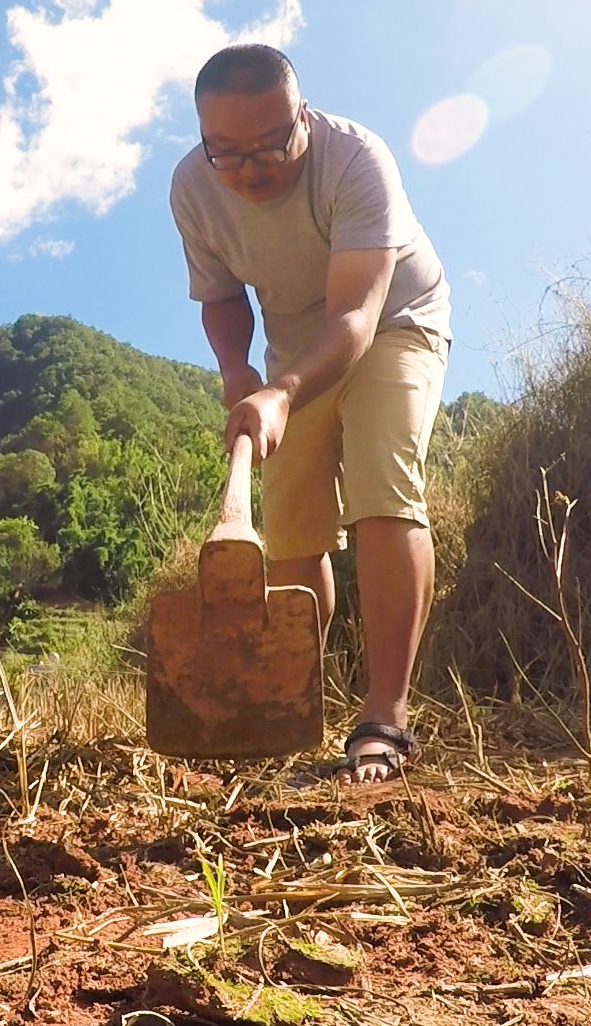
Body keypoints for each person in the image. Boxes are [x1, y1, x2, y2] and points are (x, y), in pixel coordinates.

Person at [167, 44, 451, 783]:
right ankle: (286, 709)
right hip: (297, 340)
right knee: (291, 531)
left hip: (393, 321)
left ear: (302, 116)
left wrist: (283, 393)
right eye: (226, 152)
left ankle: (383, 722)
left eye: (269, 146)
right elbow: (222, 296)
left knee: (380, 492)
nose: (248, 170)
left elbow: (356, 315)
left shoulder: (357, 161)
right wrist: (239, 374)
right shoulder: (192, 188)